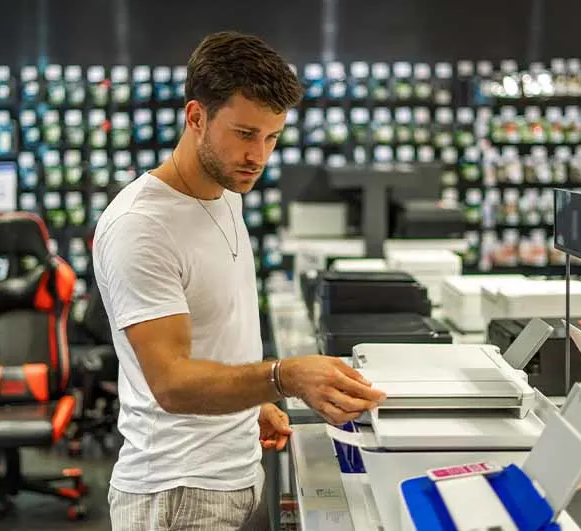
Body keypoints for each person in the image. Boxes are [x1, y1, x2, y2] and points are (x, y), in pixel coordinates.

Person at [93, 31, 386, 530]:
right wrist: (282, 376)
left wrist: (251, 403)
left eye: (272, 137)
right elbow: (170, 383)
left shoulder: (227, 192)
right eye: (245, 134)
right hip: (176, 492)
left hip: (232, 471)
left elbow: (217, 334)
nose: (260, 155)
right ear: (195, 117)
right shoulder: (142, 226)